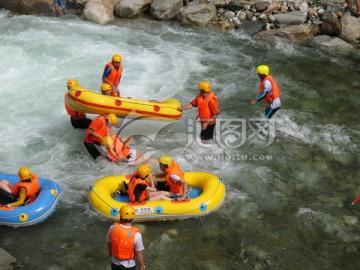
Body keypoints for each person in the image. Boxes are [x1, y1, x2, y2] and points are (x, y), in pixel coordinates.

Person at [106, 205, 145, 270]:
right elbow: (138, 253)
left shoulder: (112, 227)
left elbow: (109, 242)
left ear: (121, 216)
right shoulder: (136, 235)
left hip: (114, 263)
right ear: (133, 217)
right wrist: (142, 265)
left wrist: (110, 252)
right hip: (129, 266)